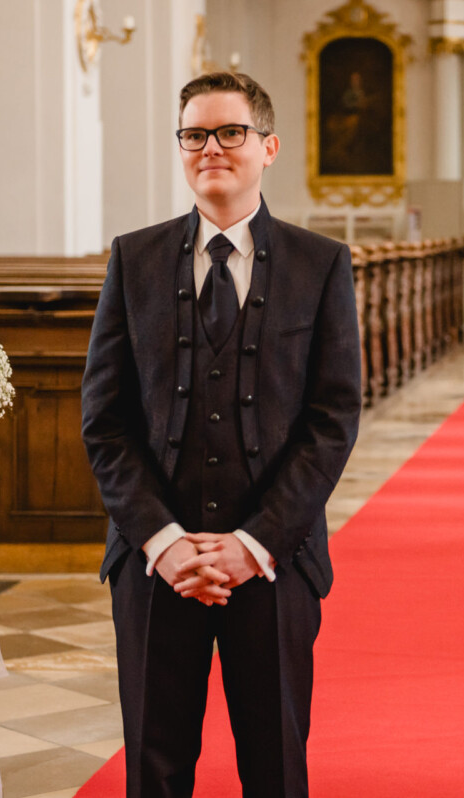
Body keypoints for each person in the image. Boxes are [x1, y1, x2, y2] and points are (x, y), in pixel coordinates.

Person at [81, 71, 362, 798]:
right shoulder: (132, 260)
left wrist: (254, 544)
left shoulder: (321, 265)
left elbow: (333, 420)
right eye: (194, 134)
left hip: (275, 563)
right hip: (154, 564)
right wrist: (164, 541)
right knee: (154, 764)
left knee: (273, 762)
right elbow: (106, 422)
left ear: (268, 147)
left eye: (230, 132)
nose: (211, 147)